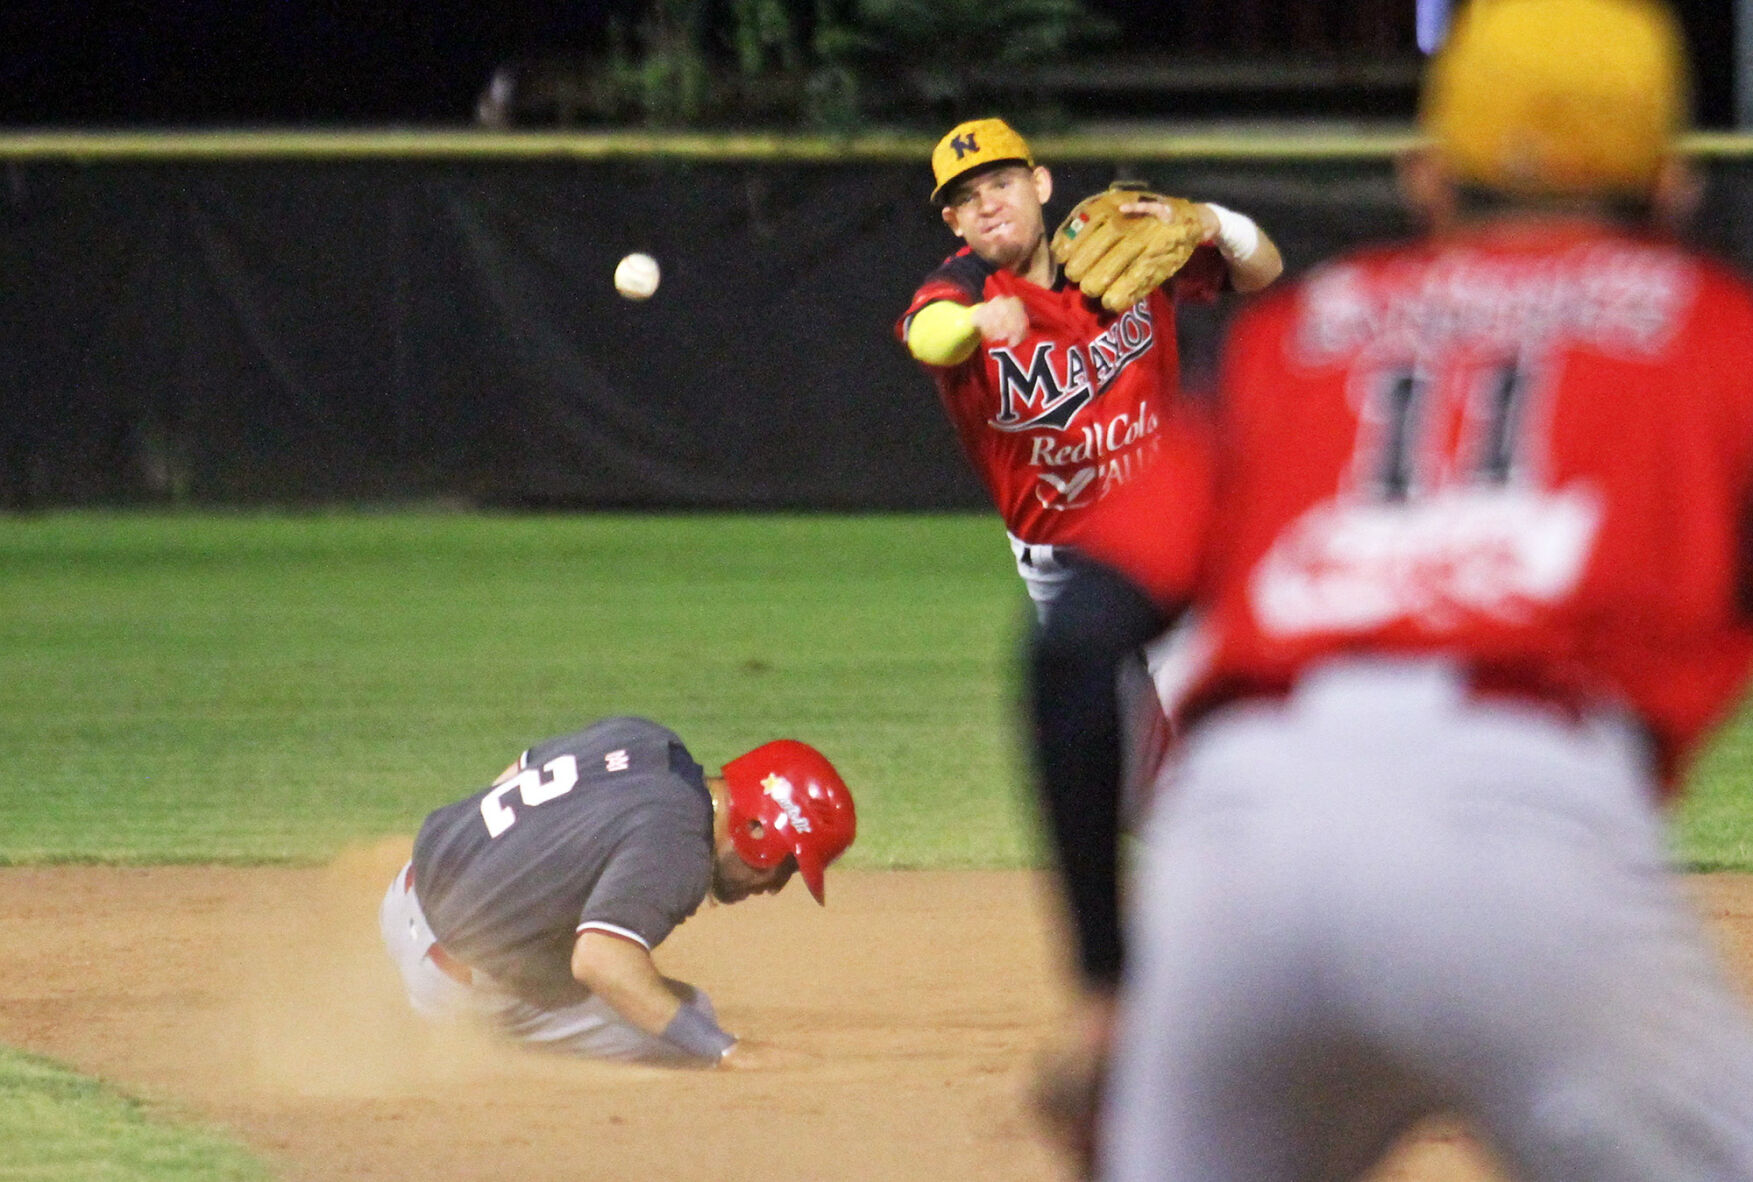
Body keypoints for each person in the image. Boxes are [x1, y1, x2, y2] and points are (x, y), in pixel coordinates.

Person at [1028, 0, 1753, 1178]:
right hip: (1527, 829)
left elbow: (1075, 642)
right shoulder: (1716, 336)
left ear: (1426, 183)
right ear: (1675, 192)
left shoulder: (1302, 334)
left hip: (1234, 847)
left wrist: (1113, 989)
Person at [898, 116, 1283, 617]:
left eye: (1001, 183)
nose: (988, 203)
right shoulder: (960, 289)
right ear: (955, 221)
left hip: (1168, 534)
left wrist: (1215, 221)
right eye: (969, 197)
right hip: (1064, 569)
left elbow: (1264, 272)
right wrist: (975, 319)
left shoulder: (1118, 253)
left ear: (1040, 185)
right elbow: (926, 335)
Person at [380, 718, 856, 1067]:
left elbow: (515, 773)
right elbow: (599, 960)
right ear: (756, 827)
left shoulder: (643, 739)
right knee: (691, 1020)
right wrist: (725, 1050)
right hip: (451, 984)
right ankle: (477, 1049)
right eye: (787, 865)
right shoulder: (679, 846)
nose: (775, 886)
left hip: (405, 890)